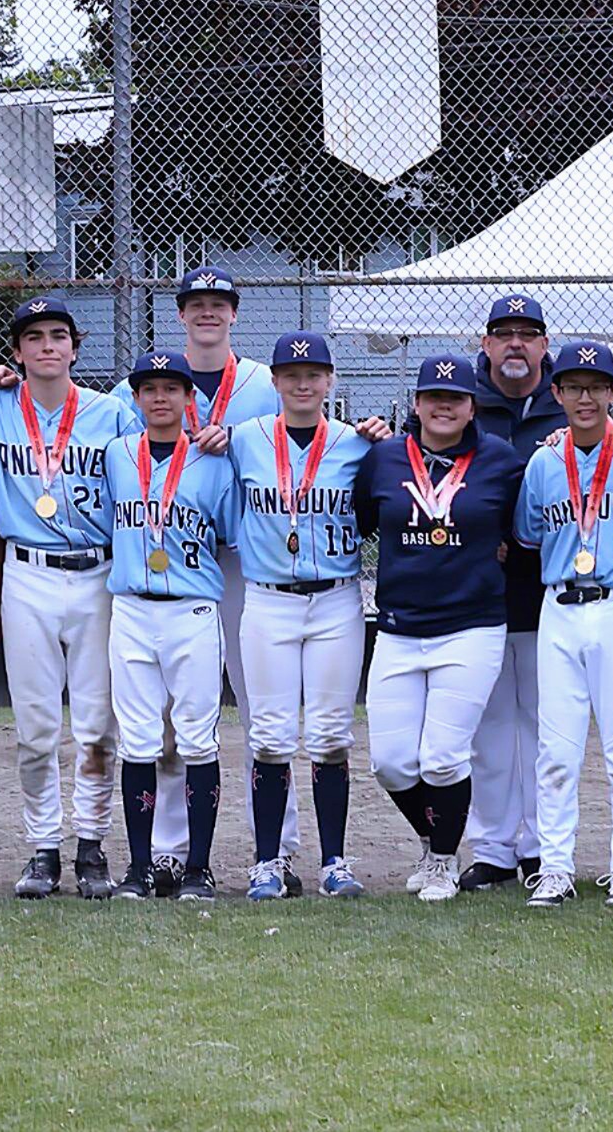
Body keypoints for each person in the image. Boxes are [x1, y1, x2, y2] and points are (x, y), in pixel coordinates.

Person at [109, 267, 298, 896]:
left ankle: (280, 849)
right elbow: (82, 423)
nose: (208, 313)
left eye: (220, 304)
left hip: (244, 563)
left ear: (234, 314)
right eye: (197, 304)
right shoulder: (132, 395)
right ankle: (165, 851)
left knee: (257, 705)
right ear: (181, 314)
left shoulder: (261, 387)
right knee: (162, 722)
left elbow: (300, 439)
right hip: (162, 561)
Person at [0, 296, 135, 900]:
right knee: (35, 727)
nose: (46, 347)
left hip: (97, 573)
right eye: (33, 337)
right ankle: (43, 848)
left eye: (58, 335)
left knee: (96, 725)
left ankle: (91, 846)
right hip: (26, 573)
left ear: (74, 347)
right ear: (15, 352)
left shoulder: (111, 414)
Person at [514, 341, 613, 909]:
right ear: (554, 393)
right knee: (556, 752)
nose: (585, 397)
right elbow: (529, 535)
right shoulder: (542, 461)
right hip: (559, 607)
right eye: (573, 387)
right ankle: (555, 868)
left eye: (596, 386)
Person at [356, 354, 522, 902]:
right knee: (391, 762)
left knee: (443, 757)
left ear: (473, 405)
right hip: (400, 626)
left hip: (471, 626)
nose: (444, 406)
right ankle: (436, 836)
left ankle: (444, 861)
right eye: (433, 397)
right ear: (417, 404)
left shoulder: (498, 459)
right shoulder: (383, 458)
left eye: (455, 398)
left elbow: (519, 532)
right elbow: (363, 518)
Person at [230, 333, 369, 900]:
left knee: (332, 732)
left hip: (336, 599)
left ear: (330, 381)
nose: (303, 383)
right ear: (276, 381)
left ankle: (334, 860)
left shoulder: (357, 443)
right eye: (291, 373)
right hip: (267, 598)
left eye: (314, 373)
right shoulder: (244, 439)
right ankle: (268, 861)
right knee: (269, 734)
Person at [102, 350, 240, 901]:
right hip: (132, 608)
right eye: (149, 389)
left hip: (193, 608)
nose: (161, 398)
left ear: (190, 399)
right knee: (136, 740)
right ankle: (138, 866)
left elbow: (228, 534)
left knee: (196, 739)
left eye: (172, 388)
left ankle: (197, 867)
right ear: (135, 399)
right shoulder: (116, 454)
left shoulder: (213, 460)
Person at [462, 294, 567, 892]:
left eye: (528, 334)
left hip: (548, 590)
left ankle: (540, 848)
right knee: (489, 726)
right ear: (486, 344)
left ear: (543, 346)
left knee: (542, 725)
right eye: (503, 334)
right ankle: (495, 847)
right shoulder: (461, 404)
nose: (515, 345)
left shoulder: (565, 405)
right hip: (478, 594)